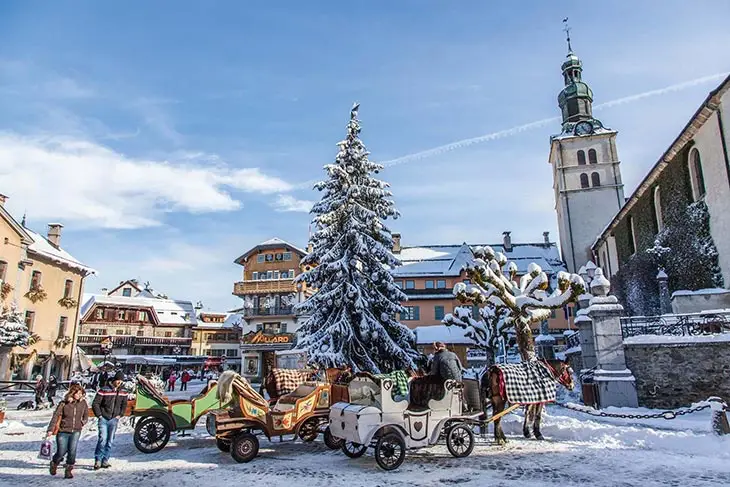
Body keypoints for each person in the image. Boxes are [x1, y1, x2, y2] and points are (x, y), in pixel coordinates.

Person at [46, 383, 88, 479]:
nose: (80, 395)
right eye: (78, 393)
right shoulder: (64, 403)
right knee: (61, 451)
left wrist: (83, 422)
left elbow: (85, 415)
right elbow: (56, 416)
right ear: (72, 393)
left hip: (76, 430)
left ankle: (68, 470)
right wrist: (50, 429)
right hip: (63, 430)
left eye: (81, 393)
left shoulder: (83, 403)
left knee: (72, 451)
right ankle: (54, 462)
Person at [91, 371, 127, 470]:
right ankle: (98, 460)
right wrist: (99, 415)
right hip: (104, 418)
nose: (120, 382)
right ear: (115, 380)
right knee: (102, 439)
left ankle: (105, 459)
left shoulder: (123, 391)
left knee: (110, 441)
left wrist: (120, 414)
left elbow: (124, 404)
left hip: (114, 418)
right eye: (118, 380)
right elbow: (95, 403)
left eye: (121, 381)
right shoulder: (104, 389)